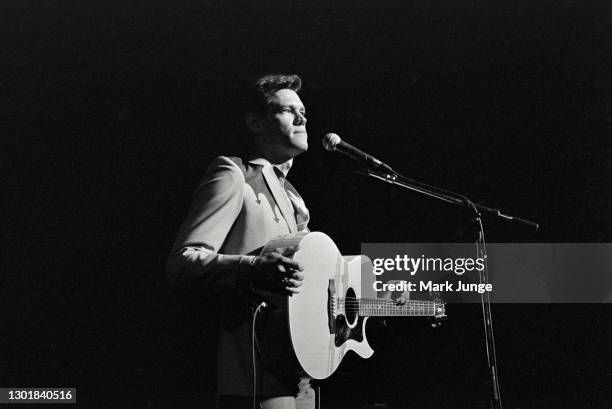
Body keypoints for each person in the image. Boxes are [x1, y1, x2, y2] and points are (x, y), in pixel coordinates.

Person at [166, 74, 315, 409]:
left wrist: (385, 298)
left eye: (303, 110)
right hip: (254, 371)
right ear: (255, 123)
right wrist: (251, 267)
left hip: (298, 369)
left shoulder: (292, 197)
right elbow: (182, 263)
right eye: (288, 110)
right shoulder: (234, 173)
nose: (302, 117)